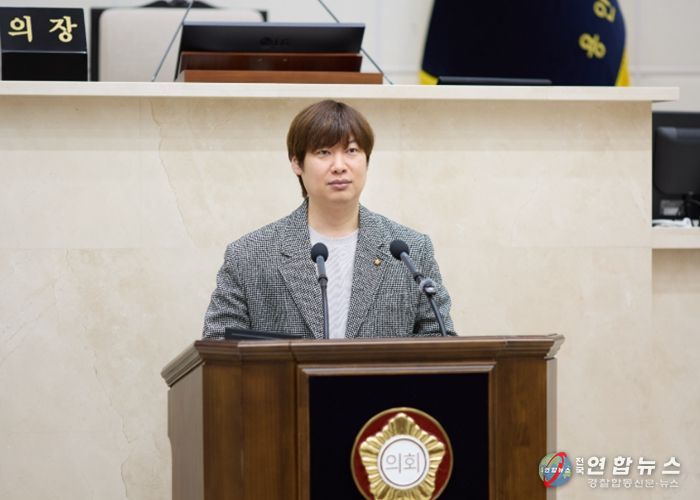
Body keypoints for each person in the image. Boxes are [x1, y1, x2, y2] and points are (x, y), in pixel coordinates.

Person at [202, 100, 455, 339]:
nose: (339, 166)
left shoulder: (411, 252)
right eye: (324, 152)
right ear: (296, 163)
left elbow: (440, 342)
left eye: (352, 151)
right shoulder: (248, 256)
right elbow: (218, 346)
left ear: (367, 160)